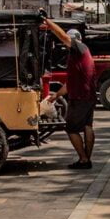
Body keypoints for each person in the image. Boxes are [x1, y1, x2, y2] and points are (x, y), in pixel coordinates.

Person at [44, 18, 96, 170]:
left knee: (72, 129)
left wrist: (48, 22)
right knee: (87, 126)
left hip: (80, 97)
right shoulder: (81, 55)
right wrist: (56, 95)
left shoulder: (79, 48)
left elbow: (62, 36)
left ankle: (83, 159)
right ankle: (86, 159)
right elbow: (70, 83)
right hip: (88, 96)